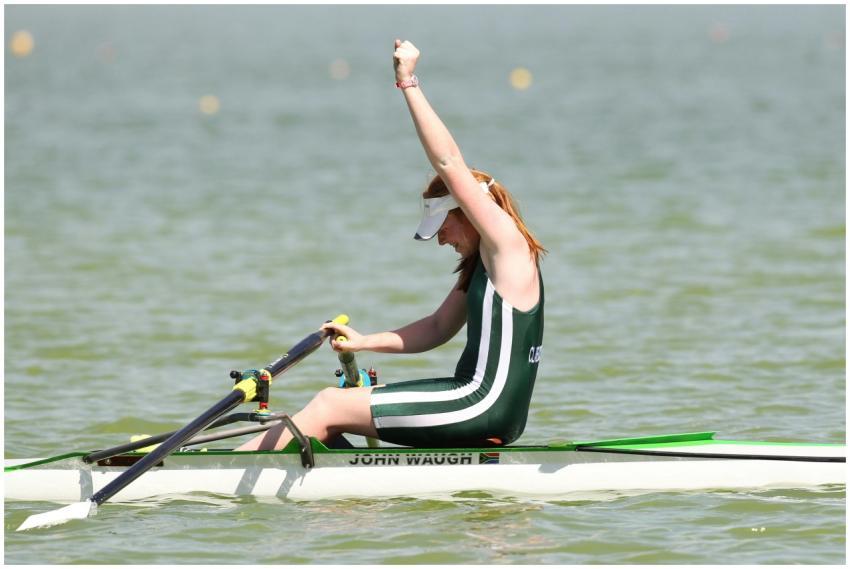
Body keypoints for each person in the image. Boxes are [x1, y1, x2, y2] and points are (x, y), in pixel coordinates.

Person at [237, 39, 545, 451]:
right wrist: (364, 342)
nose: (441, 240)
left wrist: (408, 82)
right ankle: (347, 503)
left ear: (467, 211)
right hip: (484, 405)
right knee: (333, 416)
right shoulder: (484, 267)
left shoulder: (506, 245)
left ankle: (214, 471)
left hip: (480, 403)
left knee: (330, 403)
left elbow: (449, 163)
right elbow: (436, 328)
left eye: (443, 226)